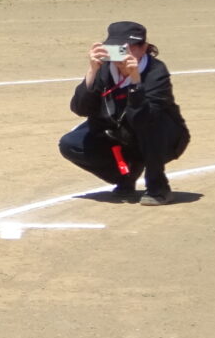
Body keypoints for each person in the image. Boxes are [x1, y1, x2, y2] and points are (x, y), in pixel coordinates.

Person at [58, 20, 189, 206]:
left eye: (127, 48)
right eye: (115, 48)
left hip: (162, 136)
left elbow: (147, 118)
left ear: (143, 48)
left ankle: (158, 187)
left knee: (151, 127)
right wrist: (92, 71)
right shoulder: (104, 69)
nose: (121, 55)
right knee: (71, 144)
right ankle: (126, 176)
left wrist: (135, 80)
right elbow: (80, 108)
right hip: (119, 132)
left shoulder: (155, 71)